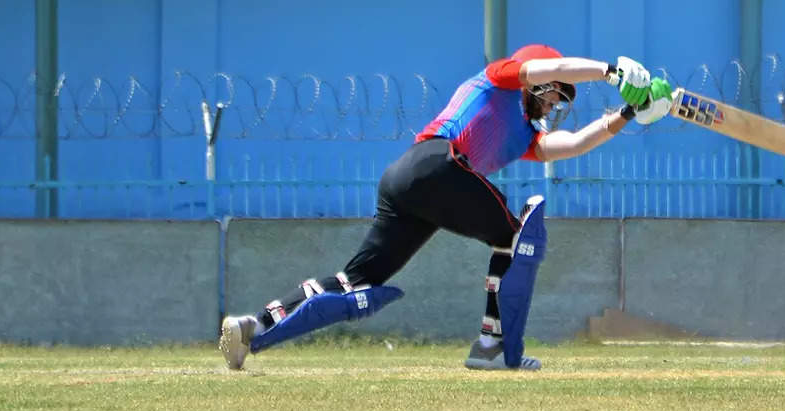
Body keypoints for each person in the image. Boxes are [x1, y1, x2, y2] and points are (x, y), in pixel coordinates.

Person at [219, 45, 674, 372]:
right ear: (539, 84)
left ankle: (253, 324)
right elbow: (548, 65)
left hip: (406, 181)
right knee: (515, 237)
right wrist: (610, 71)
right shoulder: (500, 77)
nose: (555, 104)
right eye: (555, 94)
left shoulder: (527, 136)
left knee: (355, 281)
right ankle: (491, 345)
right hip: (436, 163)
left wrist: (628, 112)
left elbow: (573, 144)